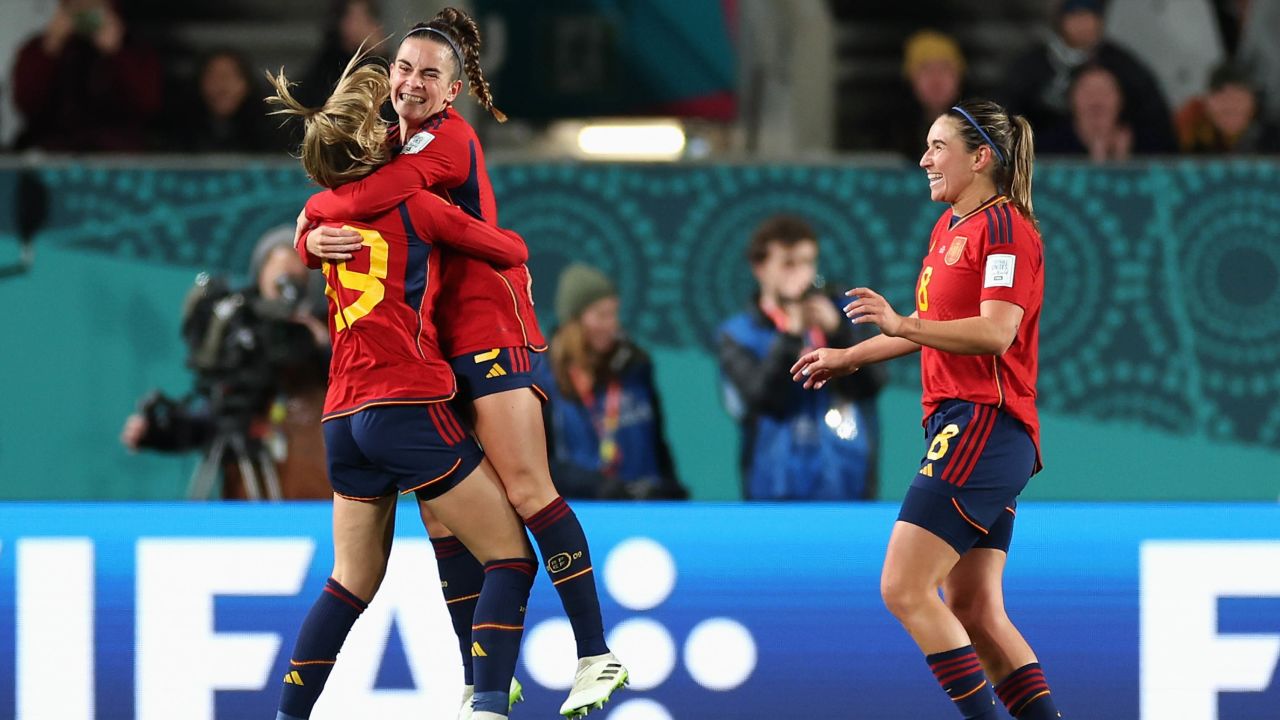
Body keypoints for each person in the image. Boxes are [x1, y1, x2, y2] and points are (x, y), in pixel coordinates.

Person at [294, 8, 628, 718]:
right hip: (434, 347)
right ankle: (482, 678)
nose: (413, 83)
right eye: (404, 69)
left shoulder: (447, 142)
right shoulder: (387, 139)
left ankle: (596, 653)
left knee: (528, 490)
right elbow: (349, 191)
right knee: (445, 524)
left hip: (489, 327)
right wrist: (307, 235)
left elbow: (367, 198)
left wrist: (312, 219)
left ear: (453, 93)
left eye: (430, 75)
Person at [266, 51, 537, 720]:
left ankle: (287, 715)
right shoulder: (415, 205)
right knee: (511, 556)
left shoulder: (324, 214)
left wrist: (311, 238)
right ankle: (489, 706)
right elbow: (510, 250)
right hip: (408, 402)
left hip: (342, 418)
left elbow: (311, 217)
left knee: (351, 580)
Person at [792, 99, 1063, 719]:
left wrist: (901, 323)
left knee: (903, 587)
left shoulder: (1006, 231)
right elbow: (928, 328)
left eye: (938, 147)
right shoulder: (950, 229)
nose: (924, 160)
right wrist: (851, 355)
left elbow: (996, 333)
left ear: (980, 158)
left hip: (984, 423)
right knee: (973, 607)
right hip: (966, 426)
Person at [120, 225, 331, 499]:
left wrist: (324, 346)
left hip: (319, 503)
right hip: (249, 508)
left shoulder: (332, 333)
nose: (284, 285)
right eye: (276, 271)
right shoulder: (244, 339)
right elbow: (220, 417)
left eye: (294, 274)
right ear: (260, 276)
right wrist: (159, 433)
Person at [719, 215, 885, 500]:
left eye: (808, 262)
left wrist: (838, 333)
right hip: (774, 491)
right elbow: (764, 400)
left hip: (847, 484)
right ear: (759, 268)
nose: (802, 274)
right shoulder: (737, 334)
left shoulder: (845, 313)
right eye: (788, 264)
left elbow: (873, 384)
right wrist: (790, 337)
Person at [539, 264, 688, 500]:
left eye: (614, 313)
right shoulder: (543, 377)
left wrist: (671, 490)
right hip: (585, 511)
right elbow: (541, 463)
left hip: (646, 506)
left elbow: (658, 444)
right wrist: (597, 486)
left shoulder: (635, 366)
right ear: (574, 321)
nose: (611, 324)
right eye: (601, 315)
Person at [1000, 0, 1175, 155]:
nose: (1083, 23)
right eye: (1075, 14)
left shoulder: (1125, 67)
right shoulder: (1031, 67)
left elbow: (1158, 126)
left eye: (1089, 14)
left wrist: (1132, 150)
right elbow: (1007, 124)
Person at [10, 0, 162, 151]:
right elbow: (26, 104)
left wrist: (116, 52)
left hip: (117, 152)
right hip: (52, 150)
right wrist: (51, 46)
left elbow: (145, 104)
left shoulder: (134, 48)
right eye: (77, 7)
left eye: (92, 8)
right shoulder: (39, 48)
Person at [169, 49, 279, 153]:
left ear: (247, 84)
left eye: (229, 76)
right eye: (213, 77)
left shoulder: (272, 132)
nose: (222, 87)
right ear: (199, 83)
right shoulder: (176, 133)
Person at [886, 30, 968, 161]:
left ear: (959, 78)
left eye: (944, 69)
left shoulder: (980, 130)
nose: (936, 80)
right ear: (911, 79)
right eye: (926, 70)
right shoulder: (888, 131)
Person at [1174, 61, 1280, 154]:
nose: (1231, 107)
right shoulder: (1192, 124)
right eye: (1223, 102)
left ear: (1253, 103)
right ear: (1207, 103)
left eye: (1237, 101)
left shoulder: (1270, 131)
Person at [296, 0, 386, 107]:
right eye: (368, 17)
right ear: (347, 23)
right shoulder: (331, 75)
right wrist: (380, 56)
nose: (376, 26)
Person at [1037, 63, 1134, 161]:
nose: (1096, 100)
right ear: (1071, 98)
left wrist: (1122, 159)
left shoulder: (1144, 142)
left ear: (1121, 98)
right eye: (1088, 92)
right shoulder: (1048, 147)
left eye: (1104, 92)